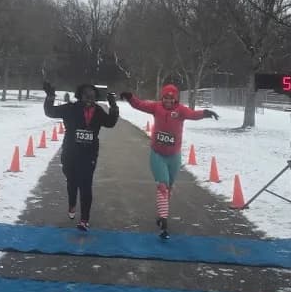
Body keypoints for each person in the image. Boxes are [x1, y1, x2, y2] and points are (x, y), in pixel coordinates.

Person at [120, 85, 218, 239]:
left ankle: (161, 214)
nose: (168, 100)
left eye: (171, 98)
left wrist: (206, 113)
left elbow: (193, 114)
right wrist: (130, 97)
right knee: (163, 186)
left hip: (174, 156)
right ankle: (164, 222)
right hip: (157, 154)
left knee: (169, 187)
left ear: (175, 99)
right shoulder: (156, 107)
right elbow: (140, 105)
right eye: (165, 97)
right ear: (162, 98)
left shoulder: (181, 110)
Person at [43, 81, 119, 230]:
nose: (89, 98)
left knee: (85, 185)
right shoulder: (70, 108)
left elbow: (110, 123)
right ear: (80, 96)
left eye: (92, 95)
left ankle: (84, 219)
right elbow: (50, 112)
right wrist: (50, 96)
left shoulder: (98, 111)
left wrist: (113, 106)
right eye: (86, 95)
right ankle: (72, 204)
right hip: (70, 152)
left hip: (89, 154)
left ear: (95, 97)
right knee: (72, 182)